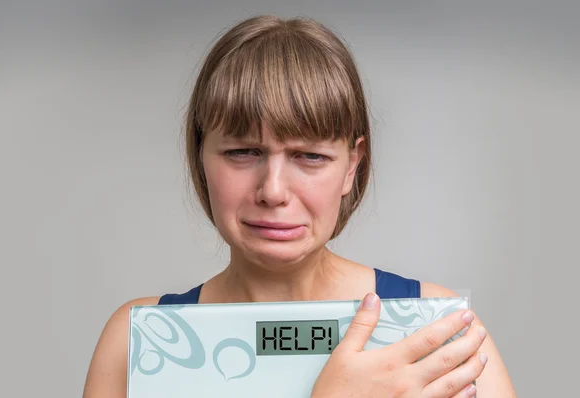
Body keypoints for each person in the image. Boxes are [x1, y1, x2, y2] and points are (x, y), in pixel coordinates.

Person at [82, 14, 516, 397]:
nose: (273, 191)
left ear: (351, 167)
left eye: (310, 157)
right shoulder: (137, 341)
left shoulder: (436, 328)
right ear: (200, 155)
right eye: (242, 152)